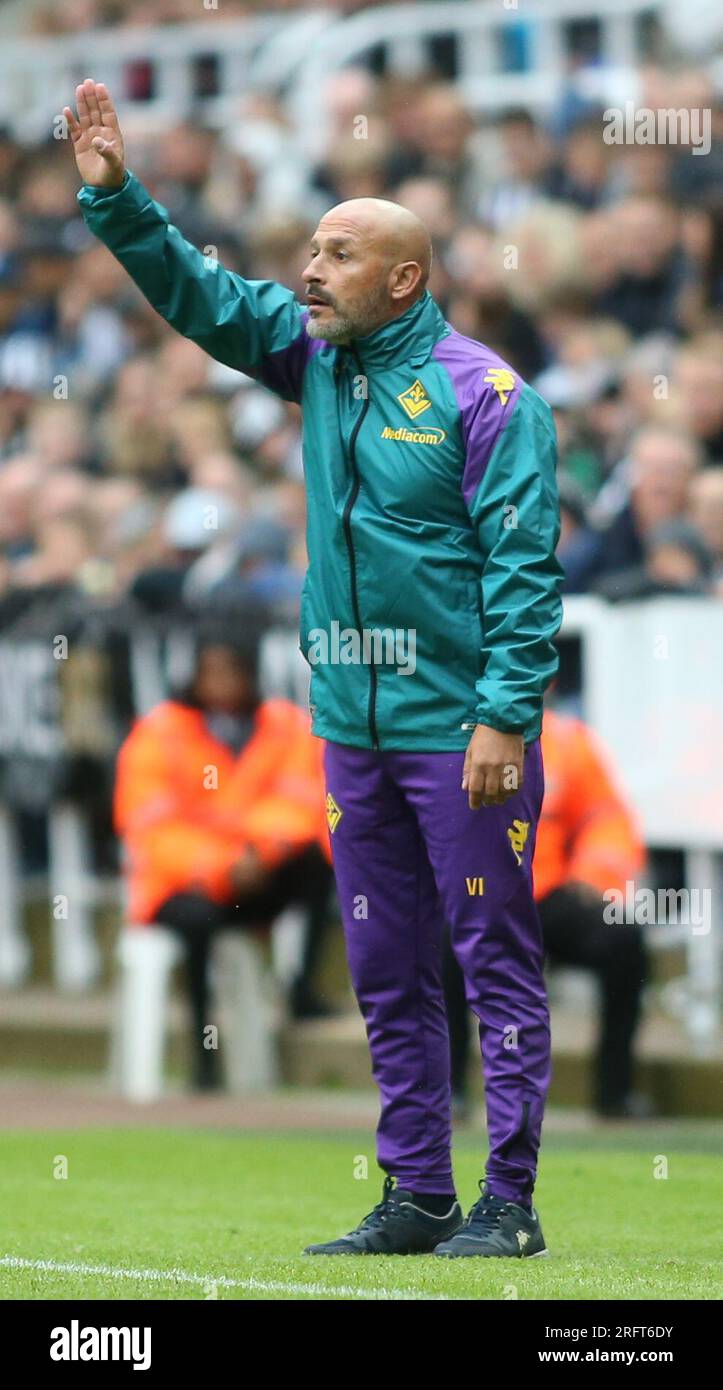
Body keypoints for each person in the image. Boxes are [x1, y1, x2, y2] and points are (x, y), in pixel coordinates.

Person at [68, 78, 563, 1259]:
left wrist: (503, 717)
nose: (311, 270)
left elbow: (526, 571)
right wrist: (118, 201)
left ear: (406, 278)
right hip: (351, 723)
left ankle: (509, 1200)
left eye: (340, 254)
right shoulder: (316, 360)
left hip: (461, 731)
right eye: (311, 248)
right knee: (387, 968)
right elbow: (203, 297)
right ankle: (415, 1193)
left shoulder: (487, 396)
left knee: (494, 958)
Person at [114, 629, 334, 1089]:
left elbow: (302, 798)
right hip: (181, 885)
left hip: (256, 873)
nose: (221, 682)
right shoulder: (160, 731)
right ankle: (204, 1057)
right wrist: (221, 866)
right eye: (210, 671)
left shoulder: (285, 724)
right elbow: (150, 824)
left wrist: (258, 853)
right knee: (196, 922)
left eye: (231, 670)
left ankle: (301, 987)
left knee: (319, 859)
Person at [445, 708, 648, 1119]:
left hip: (546, 891)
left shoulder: (568, 741)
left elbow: (606, 818)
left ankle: (614, 1093)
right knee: (438, 943)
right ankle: (447, 1092)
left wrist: (594, 877)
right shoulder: (442, 738)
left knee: (623, 937)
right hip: (474, 895)